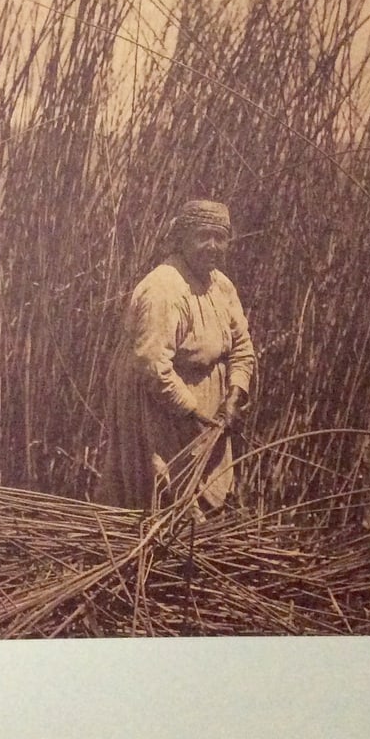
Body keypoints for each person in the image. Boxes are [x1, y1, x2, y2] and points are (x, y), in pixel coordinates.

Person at [104, 199, 256, 514]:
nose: (212, 246)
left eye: (220, 237)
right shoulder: (164, 288)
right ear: (182, 238)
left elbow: (242, 346)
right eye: (203, 236)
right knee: (161, 488)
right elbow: (152, 365)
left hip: (207, 402)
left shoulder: (221, 286)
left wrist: (234, 394)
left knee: (202, 491)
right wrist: (191, 410)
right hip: (158, 401)